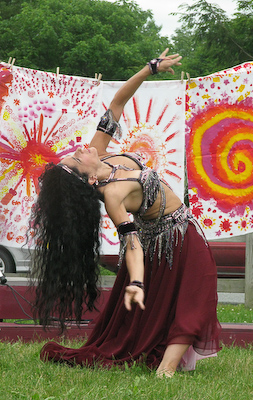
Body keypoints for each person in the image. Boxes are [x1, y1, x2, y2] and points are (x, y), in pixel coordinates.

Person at [30, 49, 221, 377]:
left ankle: (167, 364)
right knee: (199, 291)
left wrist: (150, 69)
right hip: (168, 239)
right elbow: (131, 242)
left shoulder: (98, 154)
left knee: (186, 298)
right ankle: (166, 370)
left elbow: (117, 103)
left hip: (183, 227)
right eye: (75, 159)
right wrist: (135, 280)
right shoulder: (113, 195)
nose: (79, 149)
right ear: (88, 178)